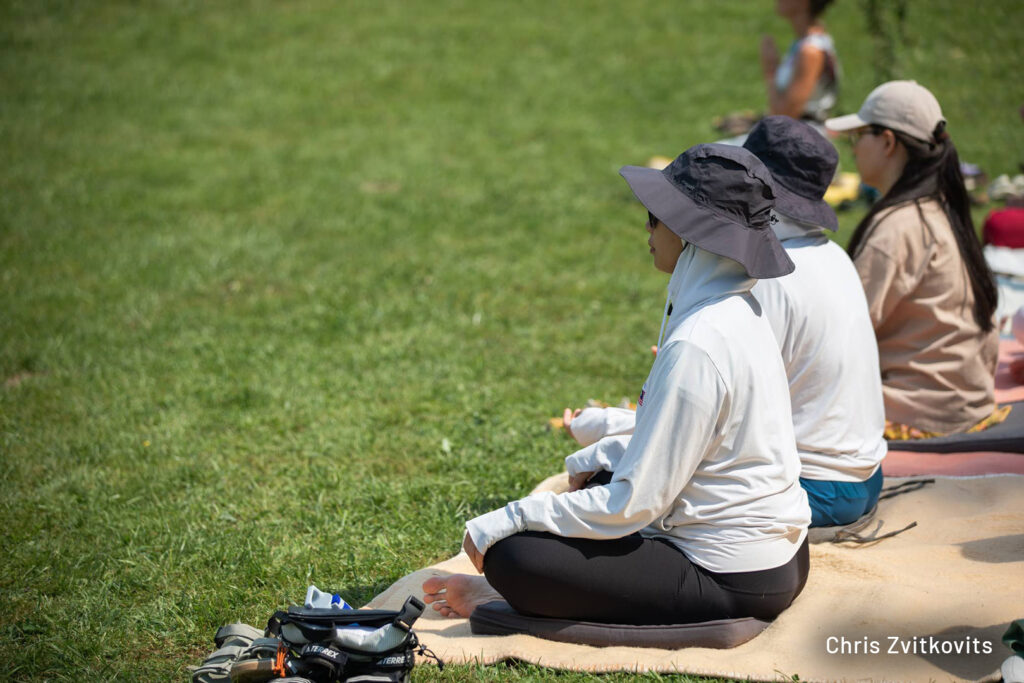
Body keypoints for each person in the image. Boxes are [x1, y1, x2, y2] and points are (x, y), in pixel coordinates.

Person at [422, 145, 810, 624]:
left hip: (733, 577)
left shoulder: (698, 343)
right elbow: (684, 453)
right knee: (597, 483)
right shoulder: (738, 310)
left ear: (692, 234)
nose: (647, 229)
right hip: (779, 559)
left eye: (656, 216)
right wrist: (602, 456)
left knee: (514, 556)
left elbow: (635, 504)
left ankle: (501, 594)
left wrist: (512, 517)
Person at [565, 117, 887, 528]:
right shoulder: (831, 255)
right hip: (865, 476)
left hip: (817, 485)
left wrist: (612, 426)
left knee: (617, 481)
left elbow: (720, 424)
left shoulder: (769, 278)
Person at [825, 81, 1004, 438]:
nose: (854, 148)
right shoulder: (938, 208)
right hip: (964, 402)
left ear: (888, 142)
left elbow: (837, 336)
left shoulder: (898, 228)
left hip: (919, 415)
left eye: (858, 136)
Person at [761, 0, 840, 124]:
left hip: (801, 137)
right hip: (794, 132)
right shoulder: (802, 42)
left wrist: (771, 68)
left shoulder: (810, 51)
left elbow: (785, 115)